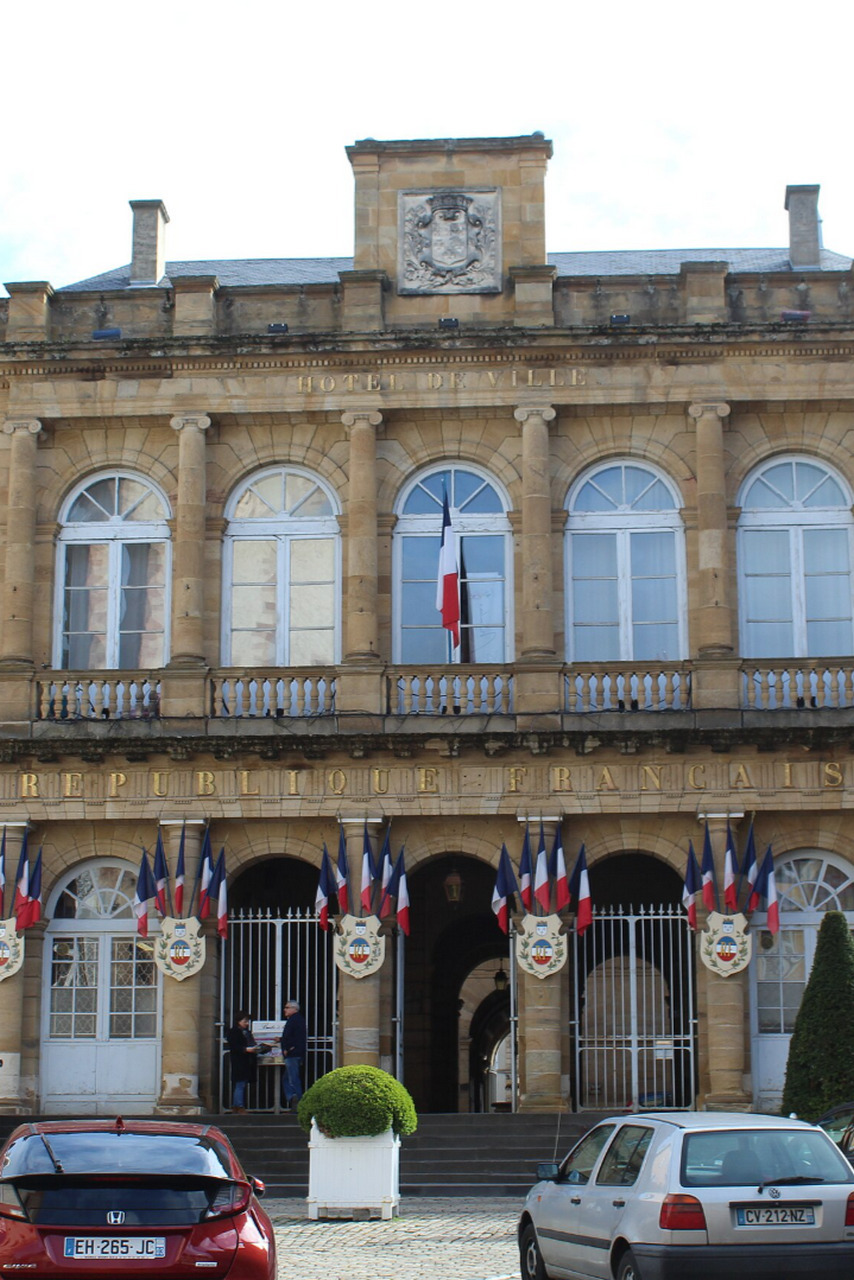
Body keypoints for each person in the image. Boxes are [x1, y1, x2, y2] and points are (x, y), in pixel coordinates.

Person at [226, 1010, 259, 1113]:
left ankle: (237, 1106)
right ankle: (239, 1106)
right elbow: (234, 1046)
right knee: (240, 1084)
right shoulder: (233, 1032)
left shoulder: (247, 1033)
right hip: (239, 1062)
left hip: (247, 1062)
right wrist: (246, 1049)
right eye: (245, 1021)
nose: (247, 1023)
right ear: (238, 1021)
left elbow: (251, 1043)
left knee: (242, 1084)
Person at [280, 998, 307, 1109]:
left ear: (294, 1009)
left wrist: (288, 1049)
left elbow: (292, 1037)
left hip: (293, 1054)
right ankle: (292, 1098)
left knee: (292, 1079)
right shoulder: (297, 1019)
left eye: (287, 1007)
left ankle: (297, 1102)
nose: (284, 1010)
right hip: (295, 1053)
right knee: (287, 1078)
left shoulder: (294, 1020)